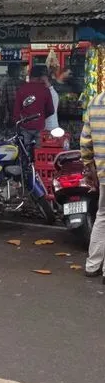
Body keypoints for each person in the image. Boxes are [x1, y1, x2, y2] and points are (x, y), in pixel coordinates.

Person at [81, 93, 105, 281]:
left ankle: (92, 264)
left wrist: (89, 167)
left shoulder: (96, 102)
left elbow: (86, 140)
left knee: (102, 216)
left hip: (102, 171)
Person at [13, 65, 54, 148]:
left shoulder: (21, 89)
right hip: (40, 127)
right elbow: (51, 110)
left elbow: (16, 112)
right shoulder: (45, 90)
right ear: (41, 77)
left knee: (24, 154)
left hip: (25, 128)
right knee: (39, 155)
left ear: (30, 75)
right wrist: (41, 116)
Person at [0, 63, 24, 135]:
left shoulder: (6, 84)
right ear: (18, 71)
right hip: (23, 118)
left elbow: (2, 104)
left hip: (11, 118)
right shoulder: (24, 83)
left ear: (9, 72)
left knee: (12, 140)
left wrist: (0, 121)